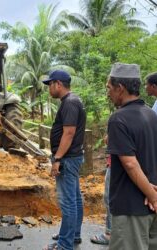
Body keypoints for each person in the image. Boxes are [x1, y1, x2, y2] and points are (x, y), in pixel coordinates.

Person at [105, 63, 157, 250]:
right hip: (151, 206)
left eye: (109, 88)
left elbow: (130, 164)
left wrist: (152, 196)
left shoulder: (119, 119)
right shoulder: (151, 114)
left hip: (131, 208)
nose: (108, 93)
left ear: (120, 88)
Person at [42, 70, 86, 250]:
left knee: (68, 202)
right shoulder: (72, 101)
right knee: (74, 198)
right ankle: (72, 235)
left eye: (50, 85)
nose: (49, 89)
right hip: (72, 157)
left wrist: (57, 158)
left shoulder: (70, 103)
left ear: (58, 84)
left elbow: (69, 133)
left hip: (67, 159)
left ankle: (64, 244)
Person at [90, 137, 111, 245]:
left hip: (117, 163)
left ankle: (110, 233)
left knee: (110, 198)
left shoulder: (118, 120)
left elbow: (109, 139)